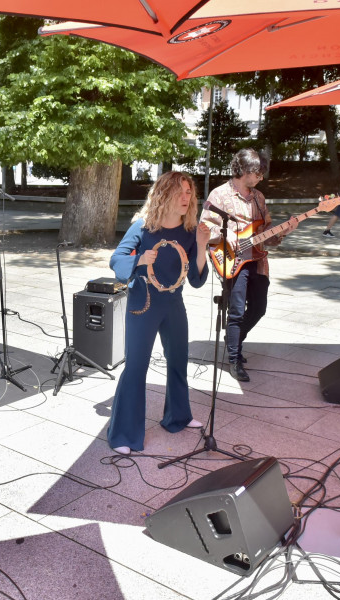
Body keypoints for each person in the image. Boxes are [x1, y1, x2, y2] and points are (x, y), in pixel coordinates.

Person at [108, 171, 210, 455]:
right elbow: (116, 259)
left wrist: (201, 247)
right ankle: (124, 435)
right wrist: (139, 259)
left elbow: (197, 279)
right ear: (164, 195)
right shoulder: (143, 227)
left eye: (189, 193)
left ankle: (179, 416)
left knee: (178, 360)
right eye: (180, 192)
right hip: (144, 303)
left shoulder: (189, 232)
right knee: (136, 367)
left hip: (174, 303)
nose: (186, 198)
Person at [202, 148, 298, 383]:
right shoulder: (219, 195)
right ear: (244, 170)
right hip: (233, 260)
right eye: (258, 173)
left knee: (259, 308)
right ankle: (234, 358)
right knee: (235, 312)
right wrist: (226, 236)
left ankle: (234, 339)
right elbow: (204, 228)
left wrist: (281, 233)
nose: (260, 178)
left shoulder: (259, 197)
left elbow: (267, 232)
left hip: (258, 259)